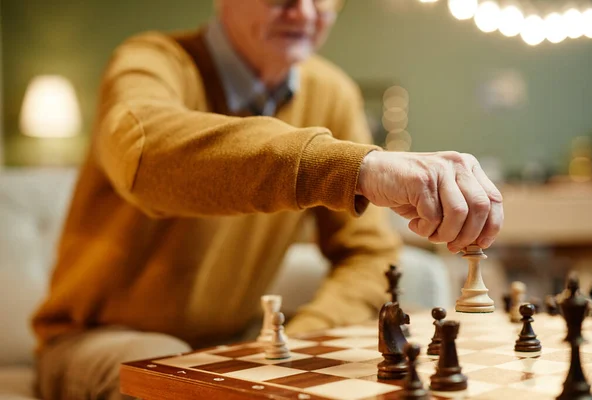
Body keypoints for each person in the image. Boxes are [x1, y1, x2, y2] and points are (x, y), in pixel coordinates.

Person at [32, 0, 503, 399]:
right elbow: (147, 155)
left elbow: (367, 254)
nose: (303, 10)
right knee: (167, 370)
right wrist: (357, 168)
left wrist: (299, 337)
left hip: (236, 341)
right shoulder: (151, 61)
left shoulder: (330, 92)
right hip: (93, 338)